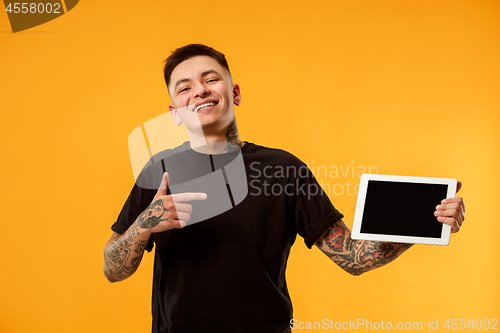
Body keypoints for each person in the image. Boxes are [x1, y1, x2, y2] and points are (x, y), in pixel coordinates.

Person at [103, 44, 466, 332]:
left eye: (210, 80)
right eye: (185, 87)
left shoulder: (284, 169)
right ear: (175, 112)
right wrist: (143, 225)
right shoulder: (159, 170)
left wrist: (425, 220)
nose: (199, 91)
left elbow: (353, 256)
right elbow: (112, 268)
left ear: (235, 92)